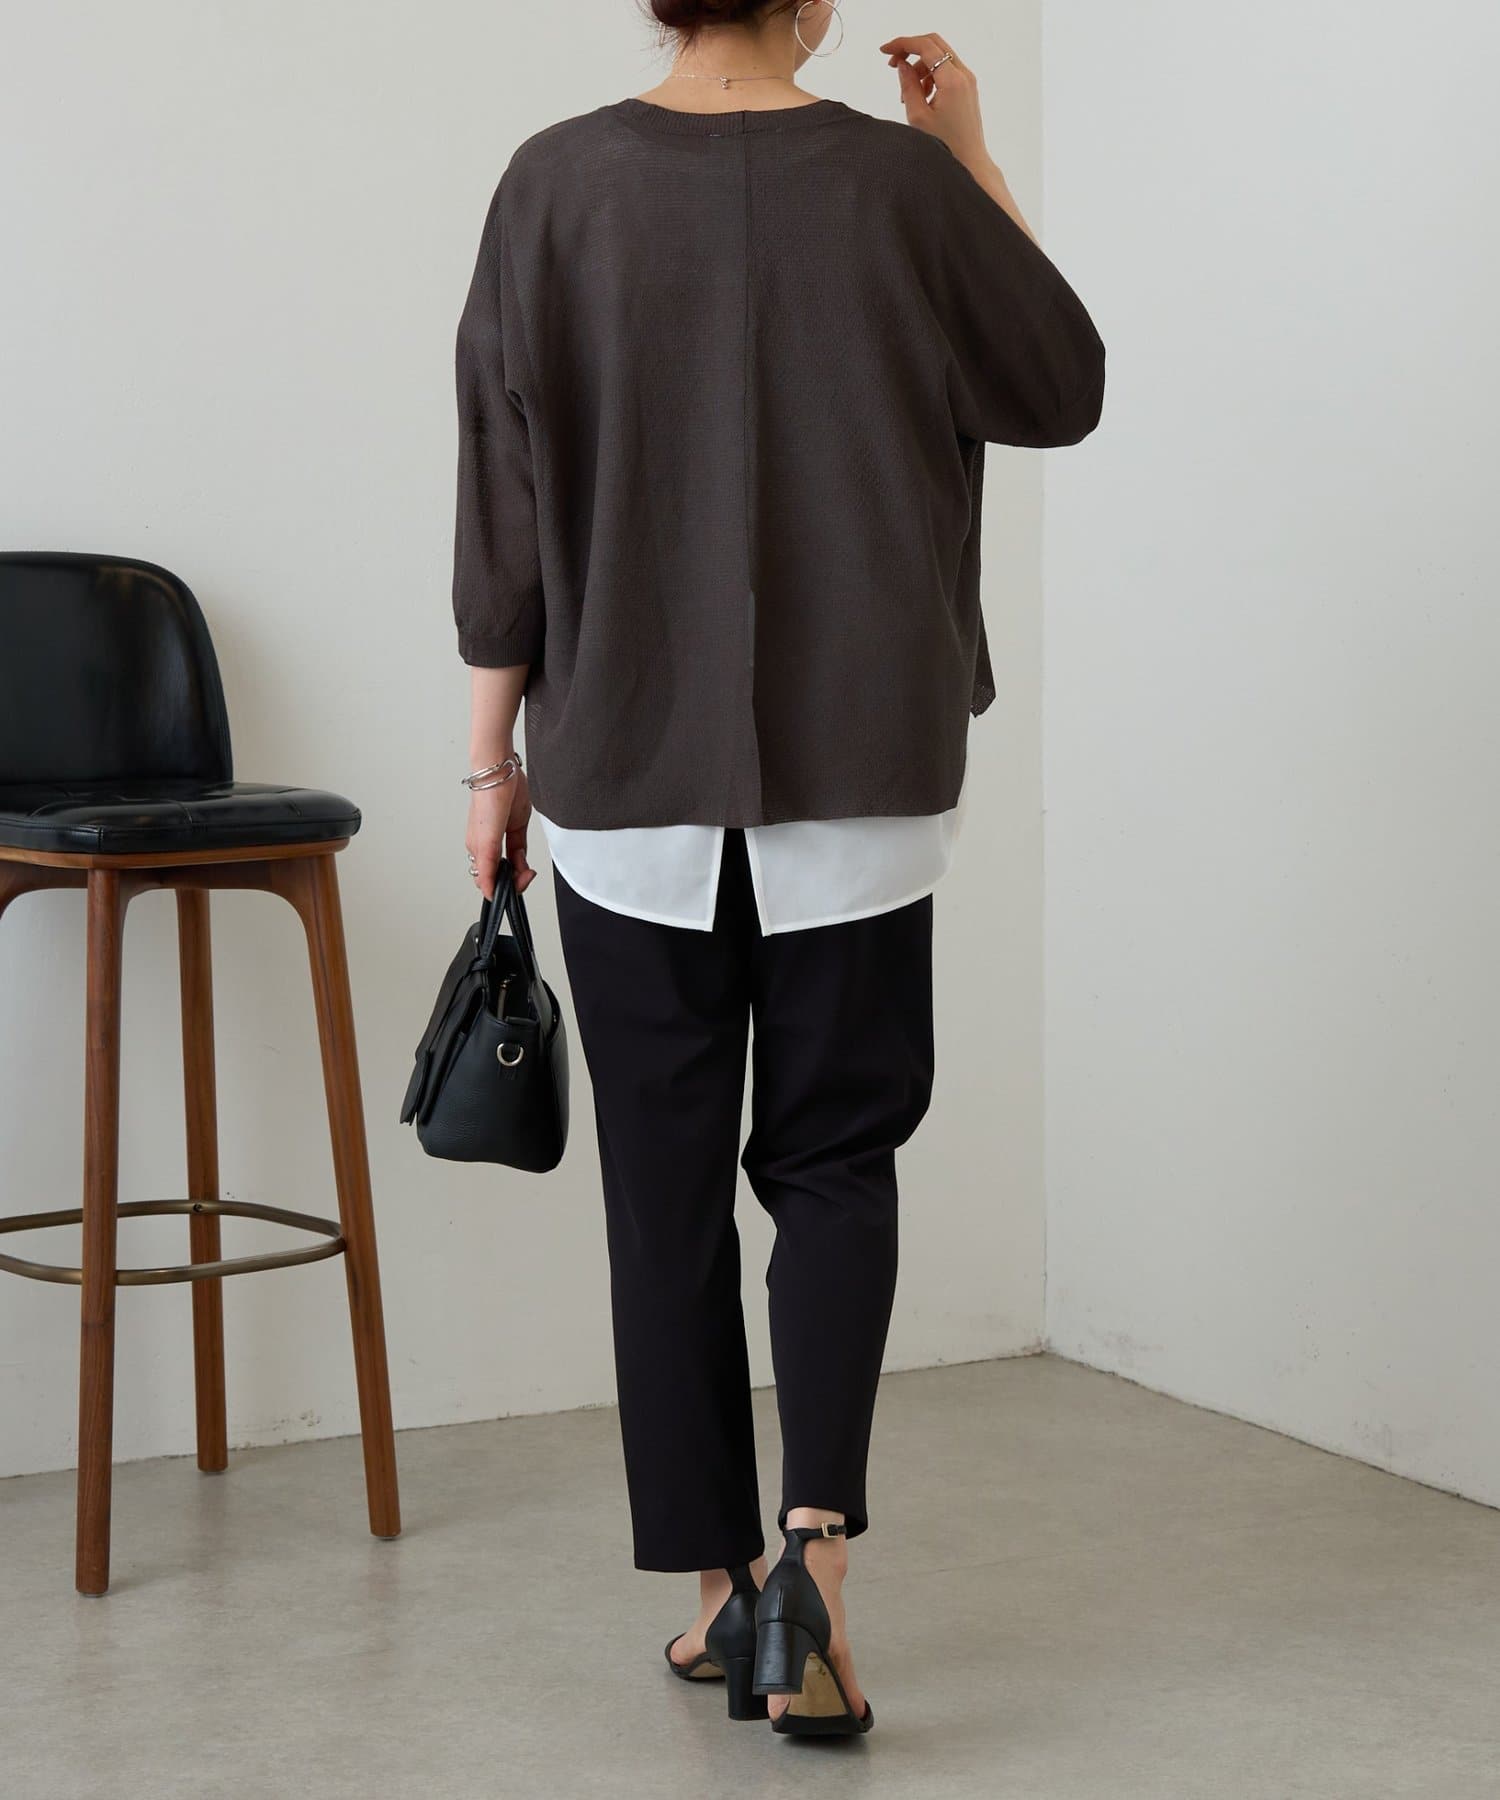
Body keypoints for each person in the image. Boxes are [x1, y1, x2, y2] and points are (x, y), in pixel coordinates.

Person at [451, 0, 1104, 1738]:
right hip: (861, 766)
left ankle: (720, 1597)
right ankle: (816, 1568)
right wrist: (968, 157)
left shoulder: (552, 185)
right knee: (834, 1165)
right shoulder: (900, 186)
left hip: (625, 764)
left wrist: (490, 761)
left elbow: (503, 494)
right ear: (810, 1)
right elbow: (1061, 384)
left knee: (662, 1195)